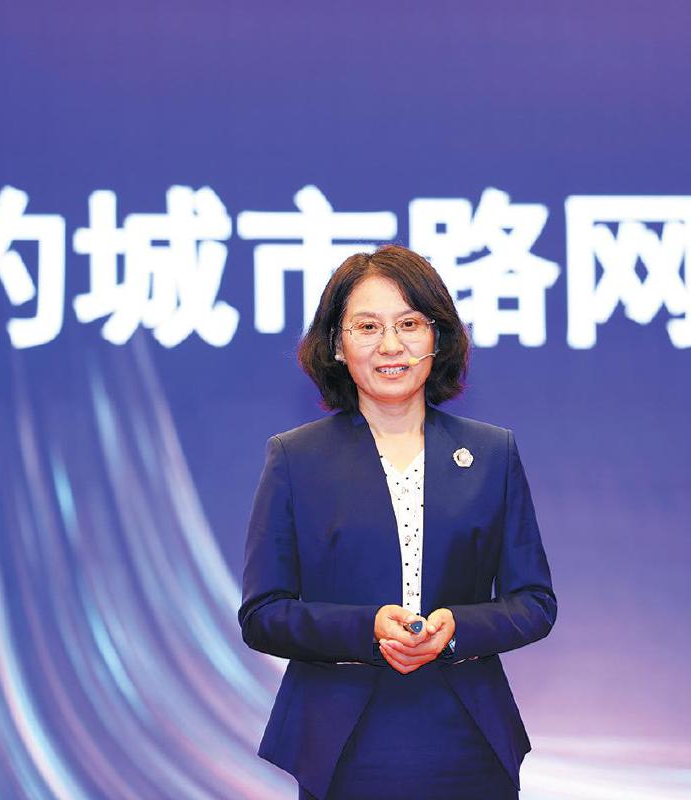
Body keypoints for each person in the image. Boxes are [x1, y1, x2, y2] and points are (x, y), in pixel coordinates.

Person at [238, 244, 556, 800]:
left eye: (409, 324)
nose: (391, 345)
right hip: (343, 739)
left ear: (438, 337)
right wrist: (367, 628)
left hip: (467, 736)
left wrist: (458, 627)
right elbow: (263, 614)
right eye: (368, 327)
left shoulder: (491, 453)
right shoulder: (295, 458)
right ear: (337, 345)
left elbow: (534, 602)